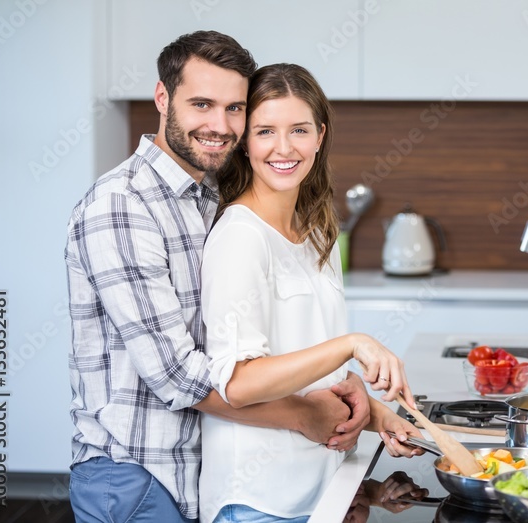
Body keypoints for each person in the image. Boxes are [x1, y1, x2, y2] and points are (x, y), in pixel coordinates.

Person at [65, 31, 400, 523]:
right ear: (163, 97)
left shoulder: (208, 192)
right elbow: (177, 375)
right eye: (201, 104)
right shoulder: (122, 206)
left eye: (234, 108)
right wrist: (310, 413)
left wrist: (351, 394)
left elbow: (243, 340)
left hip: (194, 465)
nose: (219, 125)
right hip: (134, 469)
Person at [198, 62, 423, 523]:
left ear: (320, 136)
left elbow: (308, 362)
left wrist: (379, 416)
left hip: (322, 487)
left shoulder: (319, 229)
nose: (284, 148)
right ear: (244, 141)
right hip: (259, 502)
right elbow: (238, 383)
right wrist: (352, 343)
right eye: (265, 131)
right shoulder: (241, 236)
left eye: (299, 130)